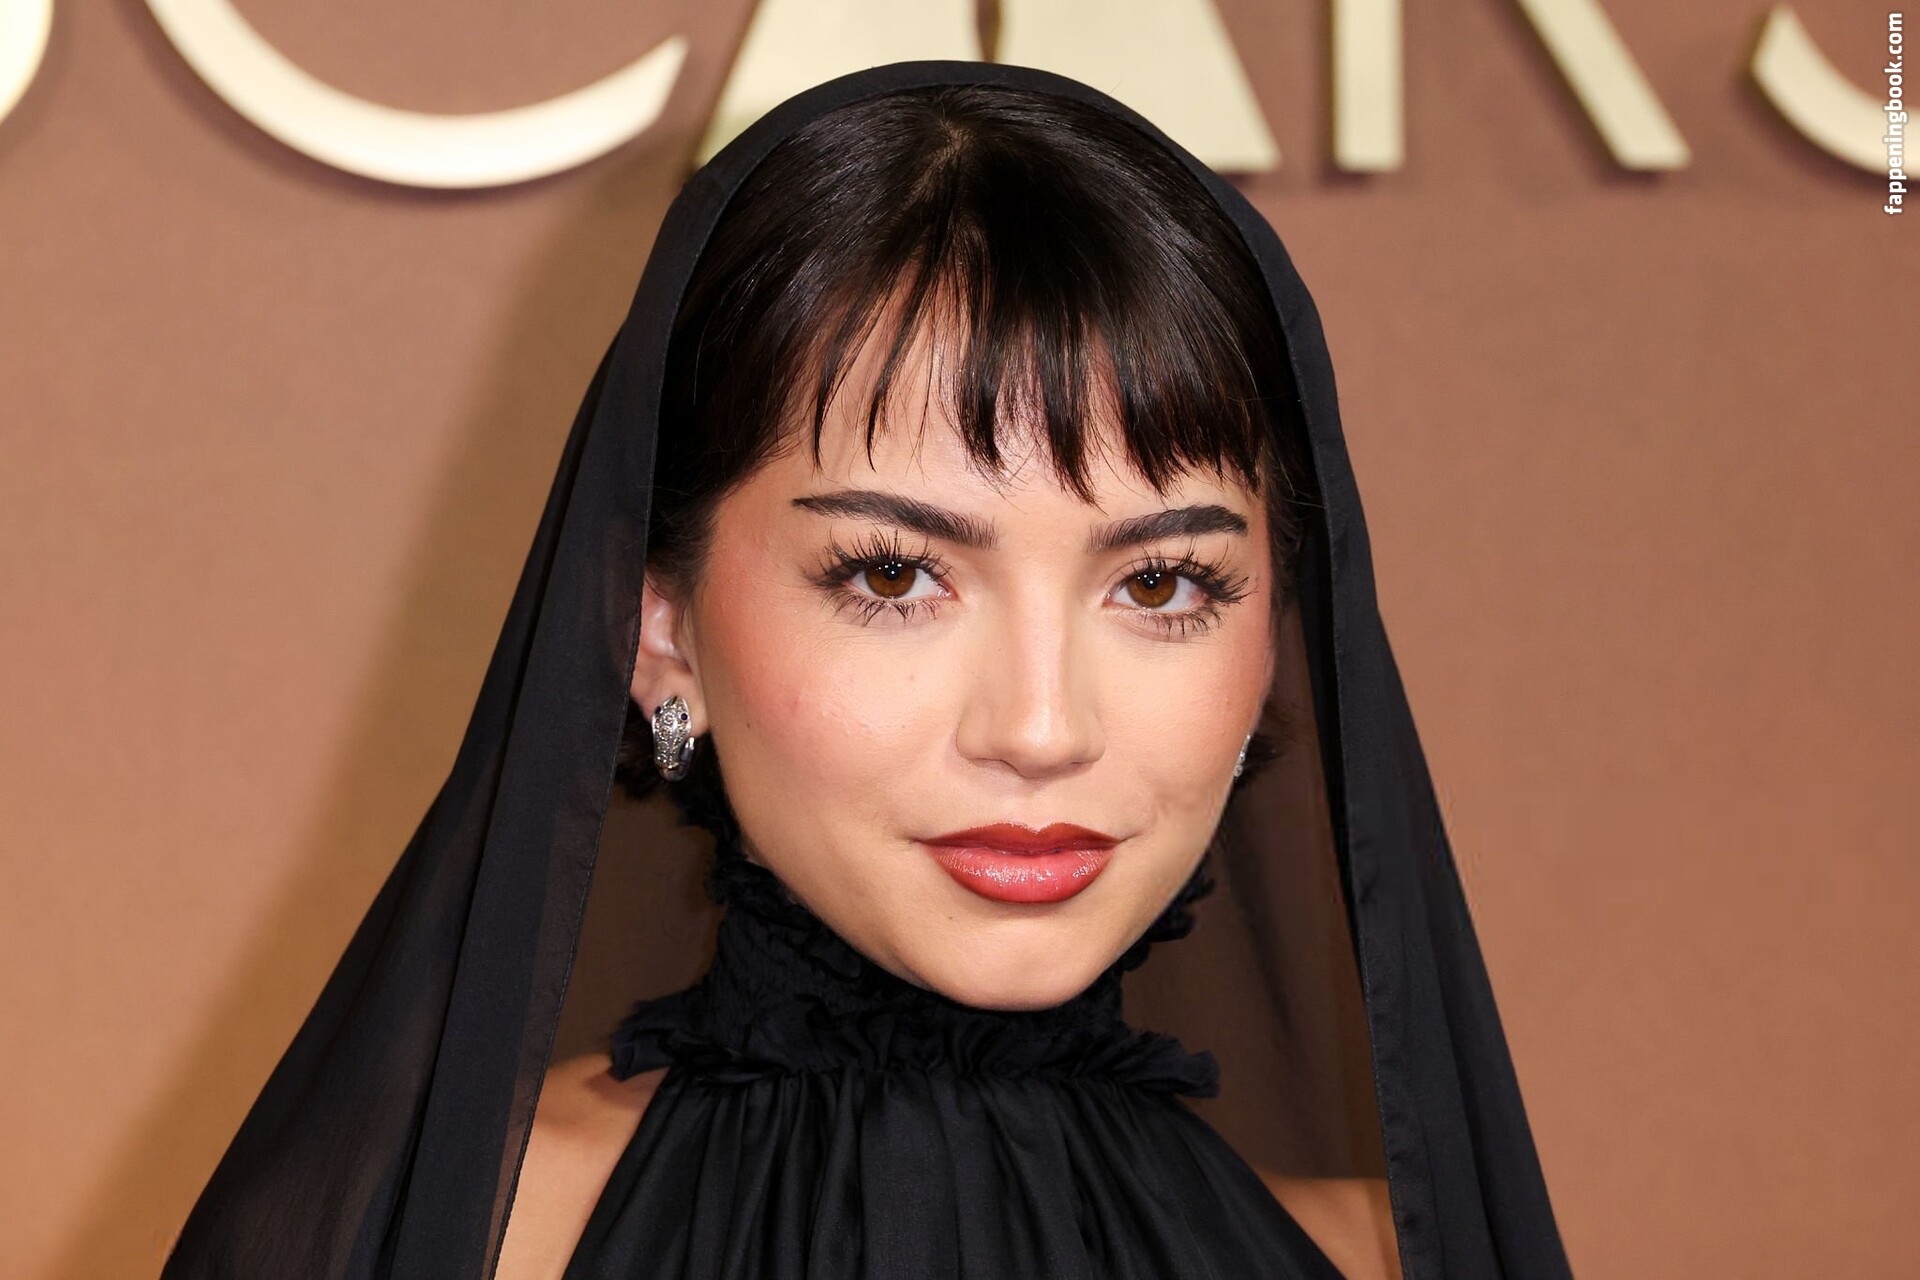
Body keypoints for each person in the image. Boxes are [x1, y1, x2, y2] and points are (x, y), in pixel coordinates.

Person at [163, 63, 1572, 1280]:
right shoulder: (428, 1239)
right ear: (659, 632)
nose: (1041, 728)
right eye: (894, 577)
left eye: (1160, 584)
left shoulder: (1399, 1258)